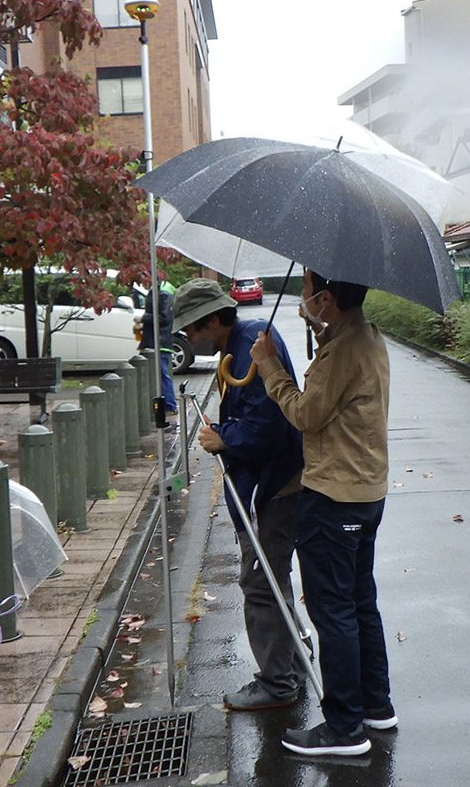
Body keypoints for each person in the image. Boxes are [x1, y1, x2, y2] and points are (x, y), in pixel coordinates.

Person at [250, 269, 397, 757]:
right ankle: (376, 707)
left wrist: (270, 367)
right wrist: (320, 331)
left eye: (306, 291)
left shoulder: (342, 350)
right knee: (358, 603)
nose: (301, 298)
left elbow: (306, 414)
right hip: (365, 493)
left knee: (332, 611)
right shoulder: (364, 335)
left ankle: (344, 728)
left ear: (326, 298)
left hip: (334, 498)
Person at [172, 278, 306, 710]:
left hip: (274, 486)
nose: (190, 338)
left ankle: (277, 683)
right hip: (274, 482)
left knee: (261, 580)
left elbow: (267, 427)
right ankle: (292, 665)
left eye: (192, 329)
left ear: (212, 320)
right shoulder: (248, 337)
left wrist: (223, 437)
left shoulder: (253, 343)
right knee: (273, 577)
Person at [139, 274, 177, 414]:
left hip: (160, 340)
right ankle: (167, 405)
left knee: (161, 374)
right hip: (157, 339)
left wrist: (143, 318)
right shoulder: (159, 290)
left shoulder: (163, 292)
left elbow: (163, 317)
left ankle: (169, 405)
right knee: (160, 374)